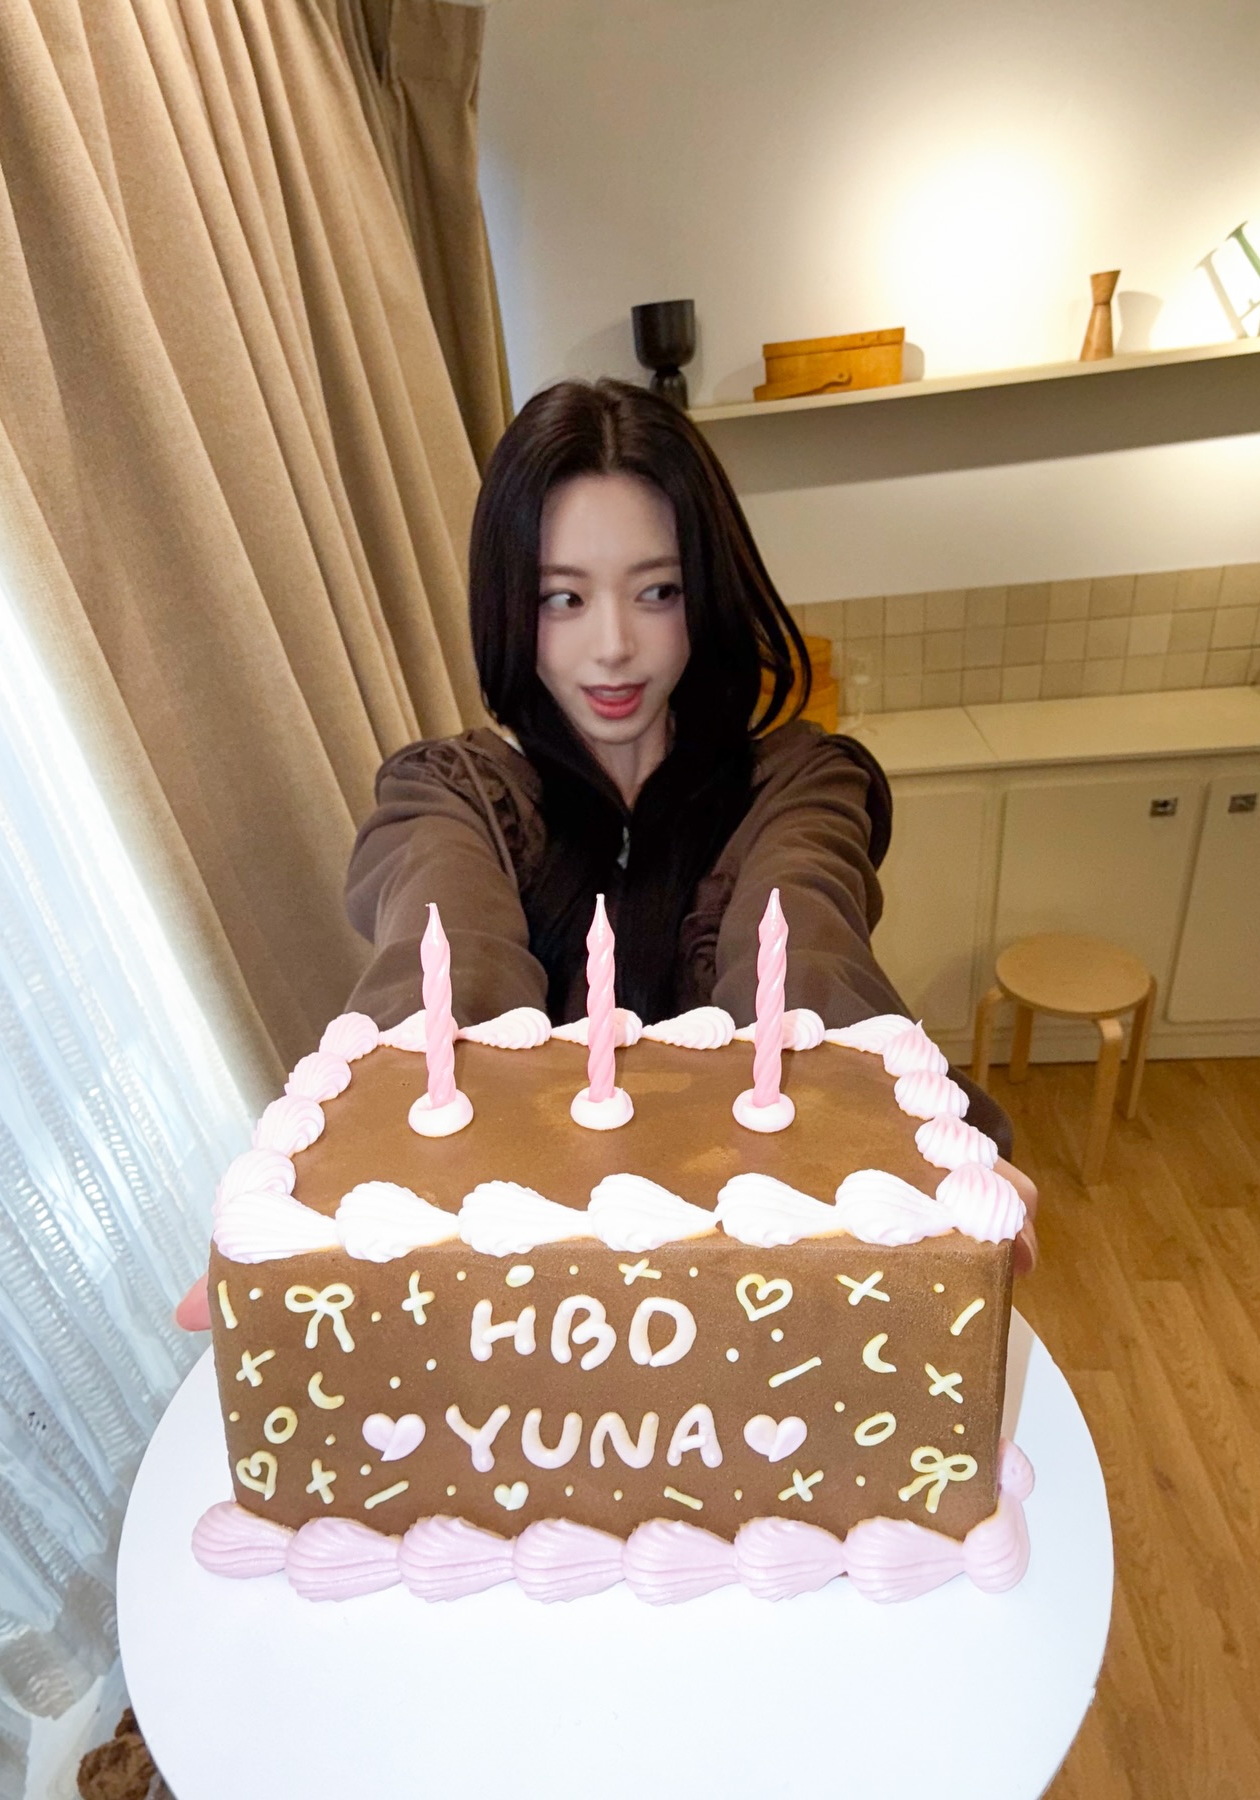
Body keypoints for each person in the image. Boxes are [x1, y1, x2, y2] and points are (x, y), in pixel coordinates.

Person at [176, 379, 1034, 1330]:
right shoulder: (453, 796)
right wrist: (343, 1203)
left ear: (706, 594)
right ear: (511, 605)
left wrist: (903, 1150)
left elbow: (806, 948)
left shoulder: (797, 783)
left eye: (657, 591)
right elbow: (442, 963)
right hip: (526, 1325)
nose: (615, 646)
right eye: (564, 598)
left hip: (761, 1310)